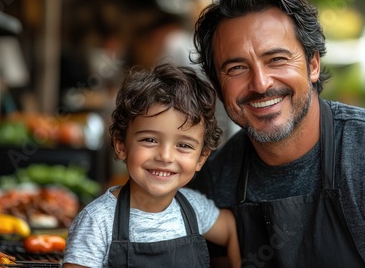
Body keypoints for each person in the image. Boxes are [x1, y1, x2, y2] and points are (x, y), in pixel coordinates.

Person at [187, 0, 365, 267]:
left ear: (313, 64)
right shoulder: (214, 181)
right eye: (236, 68)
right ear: (218, 87)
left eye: (276, 59)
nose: (261, 83)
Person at [62, 62, 240, 268]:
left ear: (201, 158)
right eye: (150, 140)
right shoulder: (97, 221)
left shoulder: (195, 208)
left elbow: (233, 229)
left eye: (183, 145)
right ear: (121, 145)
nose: (165, 156)